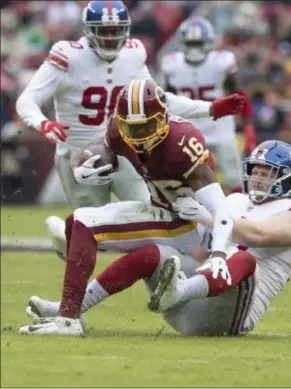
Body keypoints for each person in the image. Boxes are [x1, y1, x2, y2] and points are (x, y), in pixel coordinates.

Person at [20, 140, 291, 337]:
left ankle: (177, 291)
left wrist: (206, 215)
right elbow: (203, 254)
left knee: (241, 259)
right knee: (155, 252)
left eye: (267, 173)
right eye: (255, 171)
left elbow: (258, 235)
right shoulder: (235, 201)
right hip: (192, 306)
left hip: (231, 315)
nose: (258, 178)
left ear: (287, 178)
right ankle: (71, 309)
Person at [15, 1, 245, 258]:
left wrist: (210, 108)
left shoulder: (133, 53)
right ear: (88, 30)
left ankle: (167, 276)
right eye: (104, 30)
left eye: (116, 30)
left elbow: (159, 99)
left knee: (152, 217)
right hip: (81, 156)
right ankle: (67, 241)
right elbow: (27, 100)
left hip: (124, 147)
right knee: (91, 231)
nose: (111, 37)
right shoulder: (68, 55)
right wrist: (42, 122)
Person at [19, 77, 235, 336]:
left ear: (164, 118)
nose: (139, 135)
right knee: (77, 225)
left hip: (184, 223)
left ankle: (68, 318)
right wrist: (81, 166)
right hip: (159, 209)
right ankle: (68, 305)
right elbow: (100, 147)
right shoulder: (119, 128)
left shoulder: (182, 142)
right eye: (132, 128)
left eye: (146, 127)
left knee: (83, 223)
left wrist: (219, 254)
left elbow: (221, 209)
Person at [160, 17, 257, 194]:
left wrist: (248, 128)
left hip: (220, 125)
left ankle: (238, 213)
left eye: (199, 43)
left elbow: (239, 95)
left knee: (234, 176)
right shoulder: (172, 64)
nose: (195, 49)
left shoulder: (221, 62)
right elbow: (165, 100)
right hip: (188, 127)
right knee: (183, 177)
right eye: (191, 43)